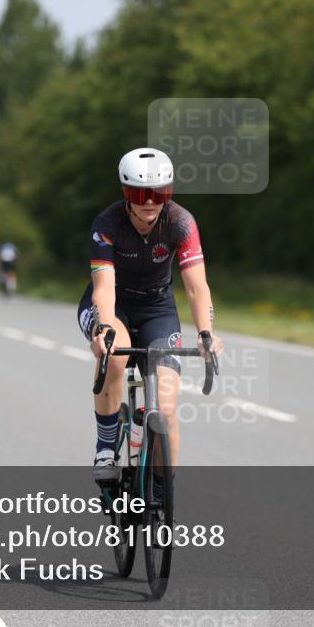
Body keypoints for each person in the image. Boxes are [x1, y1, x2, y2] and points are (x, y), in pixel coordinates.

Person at [77, 148, 223, 483]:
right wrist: (103, 328)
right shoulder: (107, 224)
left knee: (166, 411)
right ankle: (105, 446)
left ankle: (160, 490)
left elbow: (197, 287)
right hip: (115, 304)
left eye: (159, 193)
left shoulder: (181, 222)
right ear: (126, 194)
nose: (150, 202)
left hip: (158, 308)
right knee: (114, 355)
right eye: (139, 194)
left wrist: (206, 332)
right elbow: (104, 288)